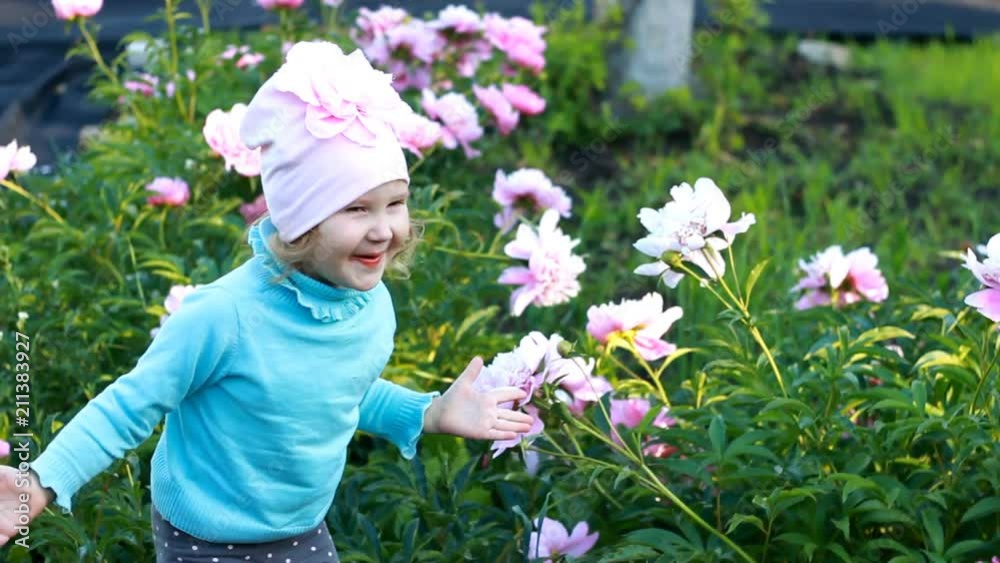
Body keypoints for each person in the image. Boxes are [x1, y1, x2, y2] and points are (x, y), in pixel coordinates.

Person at [0, 40, 534, 562]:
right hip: (205, 534)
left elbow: (341, 392)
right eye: (355, 209)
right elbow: (129, 406)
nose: (383, 230)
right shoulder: (224, 316)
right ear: (301, 220)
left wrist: (430, 412)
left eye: (394, 203)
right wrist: (40, 484)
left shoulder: (371, 308)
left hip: (300, 527)